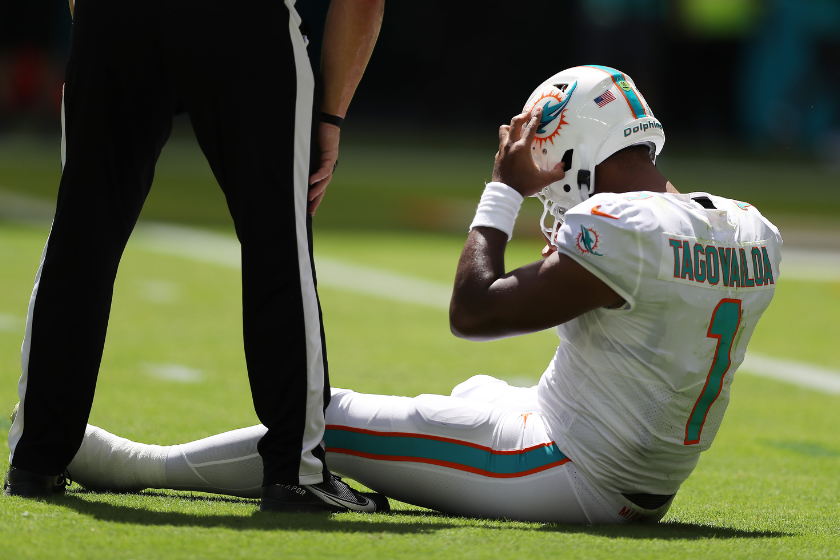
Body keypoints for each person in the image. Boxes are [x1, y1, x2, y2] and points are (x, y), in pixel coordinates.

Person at [17, 65, 782, 523]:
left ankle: (133, 464)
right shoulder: (753, 231)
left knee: (325, 423)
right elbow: (654, 305)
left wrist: (502, 191)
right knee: (477, 392)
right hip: (637, 475)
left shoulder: (623, 231)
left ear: (580, 150)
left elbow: (473, 309)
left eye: (550, 166)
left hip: (567, 470)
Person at [4, 0, 389, 514]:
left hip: (115, 17)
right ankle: (296, 470)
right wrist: (330, 116)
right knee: (279, 241)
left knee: (81, 236)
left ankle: (37, 457)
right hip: (238, 19)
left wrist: (100, 27)